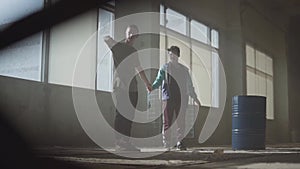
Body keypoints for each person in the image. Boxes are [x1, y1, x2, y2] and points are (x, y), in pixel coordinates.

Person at [104, 25, 152, 151]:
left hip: (133, 87)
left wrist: (147, 83)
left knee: (130, 115)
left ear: (137, 36)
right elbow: (106, 38)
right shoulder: (118, 47)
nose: (131, 35)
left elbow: (139, 68)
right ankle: (119, 142)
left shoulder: (134, 52)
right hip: (121, 86)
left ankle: (126, 142)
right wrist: (115, 42)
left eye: (134, 33)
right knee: (121, 114)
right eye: (129, 33)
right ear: (126, 34)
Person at [150, 46, 201, 151]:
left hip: (182, 99)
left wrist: (195, 98)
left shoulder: (184, 70)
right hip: (167, 98)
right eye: (170, 53)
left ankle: (180, 141)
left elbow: (189, 86)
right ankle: (167, 142)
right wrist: (151, 87)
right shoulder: (165, 68)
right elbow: (158, 80)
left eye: (173, 53)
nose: (171, 55)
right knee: (167, 121)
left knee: (181, 121)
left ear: (178, 55)